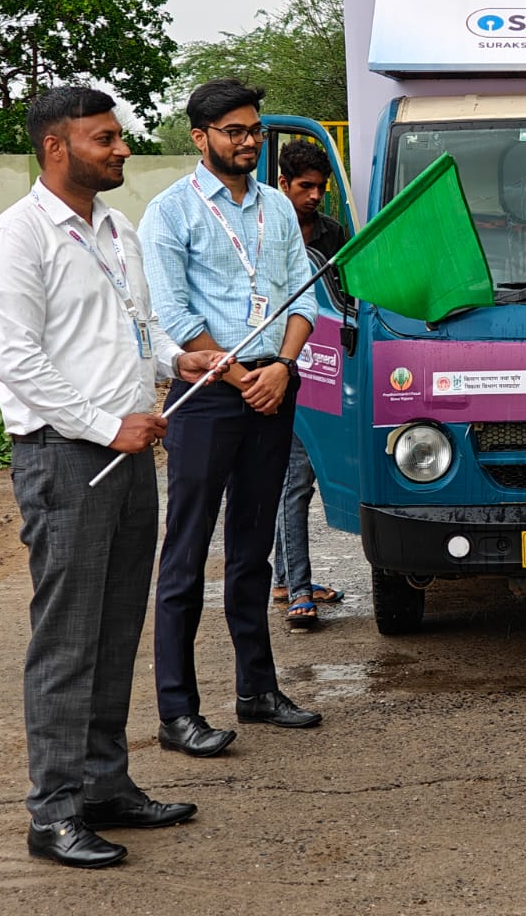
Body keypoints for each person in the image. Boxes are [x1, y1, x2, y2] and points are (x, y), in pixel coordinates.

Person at [0, 87, 222, 867]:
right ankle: (52, 813)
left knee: (116, 629)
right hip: (66, 457)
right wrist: (109, 425)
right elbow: (20, 364)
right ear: (57, 146)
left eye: (120, 137)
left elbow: (128, 330)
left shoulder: (117, 230)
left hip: (129, 454)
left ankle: (105, 786)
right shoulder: (15, 240)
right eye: (104, 138)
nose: (122, 150)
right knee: (67, 641)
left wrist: (176, 361)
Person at [139, 79, 322, 755]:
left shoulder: (276, 208)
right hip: (211, 395)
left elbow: (304, 300)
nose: (248, 142)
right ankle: (177, 713)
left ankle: (257, 690)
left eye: (254, 131)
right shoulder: (170, 212)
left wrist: (280, 369)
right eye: (234, 132)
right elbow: (177, 315)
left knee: (252, 547)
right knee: (186, 554)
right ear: (200, 137)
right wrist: (243, 375)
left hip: (274, 386)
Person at [272, 137, 349, 628]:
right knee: (294, 483)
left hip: (324, 371)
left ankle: (286, 578)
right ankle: (299, 589)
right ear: (283, 184)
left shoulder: (333, 233)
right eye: (305, 186)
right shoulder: (267, 233)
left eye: (320, 187)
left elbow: (346, 298)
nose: (314, 195)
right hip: (279, 370)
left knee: (301, 479)